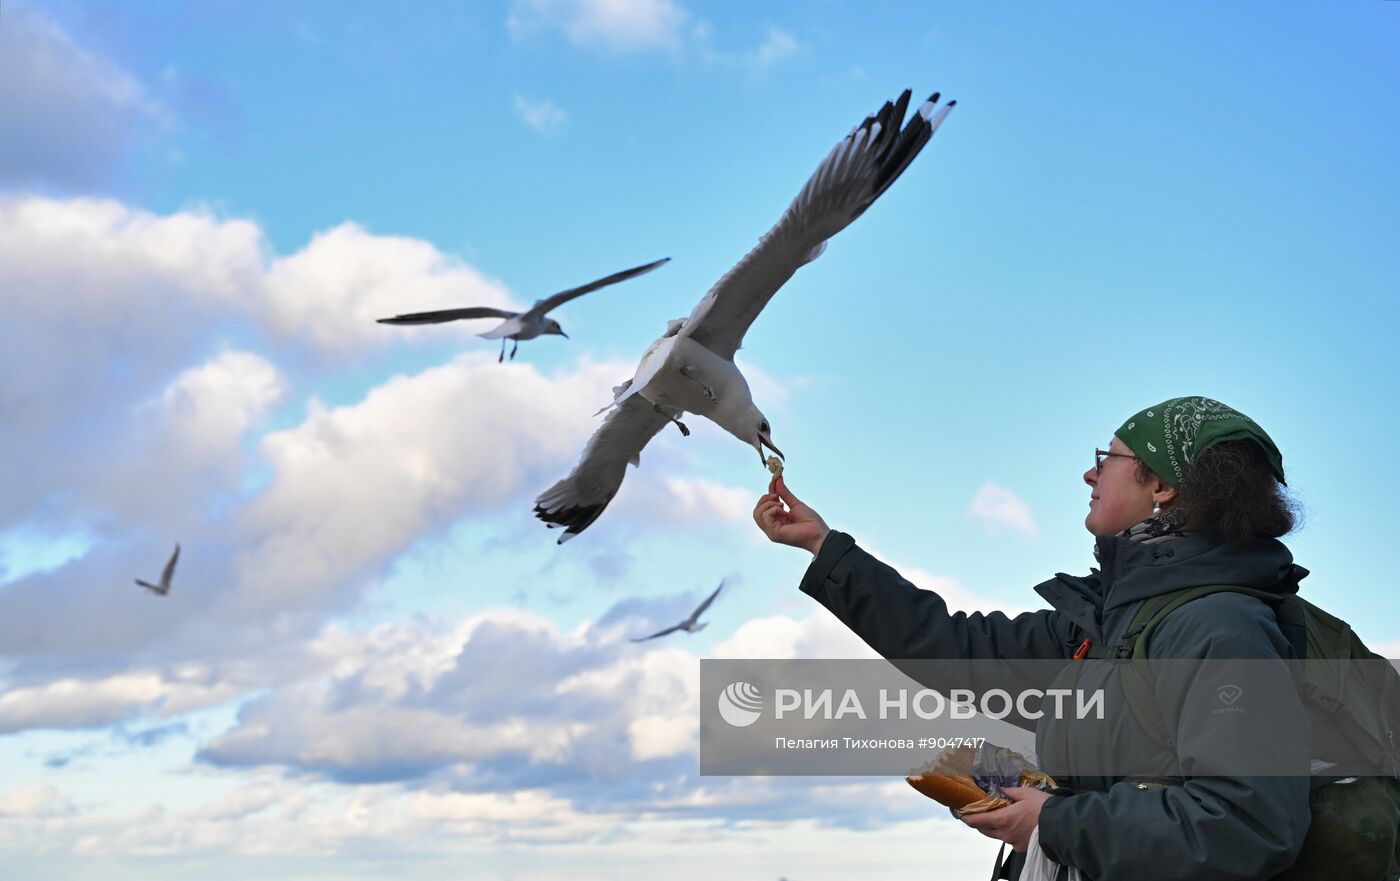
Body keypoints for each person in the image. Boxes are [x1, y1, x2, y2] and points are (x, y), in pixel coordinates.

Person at [753, 396, 1312, 881]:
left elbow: (1249, 824)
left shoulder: (1218, 628)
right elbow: (957, 647)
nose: (1090, 474)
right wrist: (824, 548)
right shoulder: (1104, 623)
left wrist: (1052, 822)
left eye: (1108, 459)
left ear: (1162, 485)